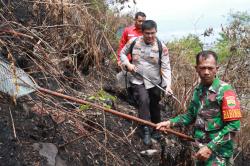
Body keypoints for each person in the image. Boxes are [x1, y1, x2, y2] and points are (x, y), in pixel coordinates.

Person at [156, 50, 242, 165]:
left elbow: (233, 126)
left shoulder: (225, 91)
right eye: (203, 68)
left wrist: (210, 147)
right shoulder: (198, 90)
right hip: (200, 151)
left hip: (218, 155)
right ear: (196, 68)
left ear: (217, 68)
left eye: (210, 68)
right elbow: (190, 115)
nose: (206, 72)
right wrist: (170, 123)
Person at [120, 20, 172, 145]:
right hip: (138, 80)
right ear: (142, 32)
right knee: (143, 100)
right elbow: (122, 53)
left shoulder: (161, 47)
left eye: (153, 33)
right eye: (147, 33)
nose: (150, 36)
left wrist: (168, 85)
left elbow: (166, 67)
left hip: (154, 82)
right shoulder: (133, 42)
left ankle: (156, 128)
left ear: (156, 31)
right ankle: (145, 129)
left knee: (155, 104)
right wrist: (128, 63)